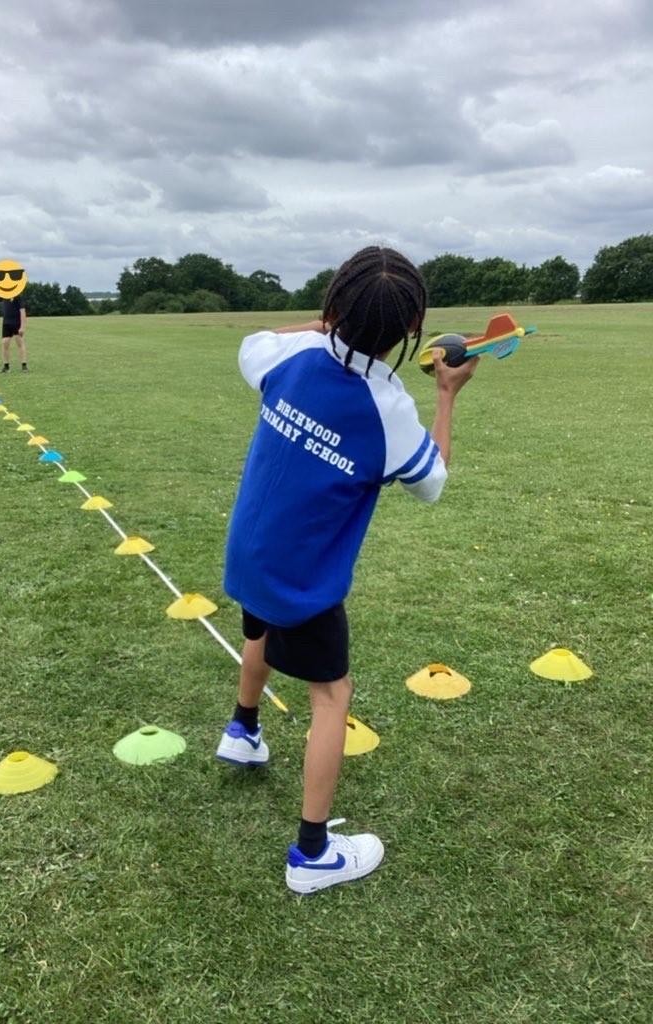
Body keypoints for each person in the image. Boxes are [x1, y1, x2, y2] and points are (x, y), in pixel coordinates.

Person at [216, 245, 478, 895]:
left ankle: (243, 730)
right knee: (332, 695)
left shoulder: (289, 354)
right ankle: (311, 854)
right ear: (409, 333)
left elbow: (255, 342)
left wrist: (323, 325)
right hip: (302, 581)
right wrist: (446, 397)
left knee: (260, 636)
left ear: (332, 306)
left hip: (251, 554)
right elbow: (433, 481)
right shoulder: (387, 407)